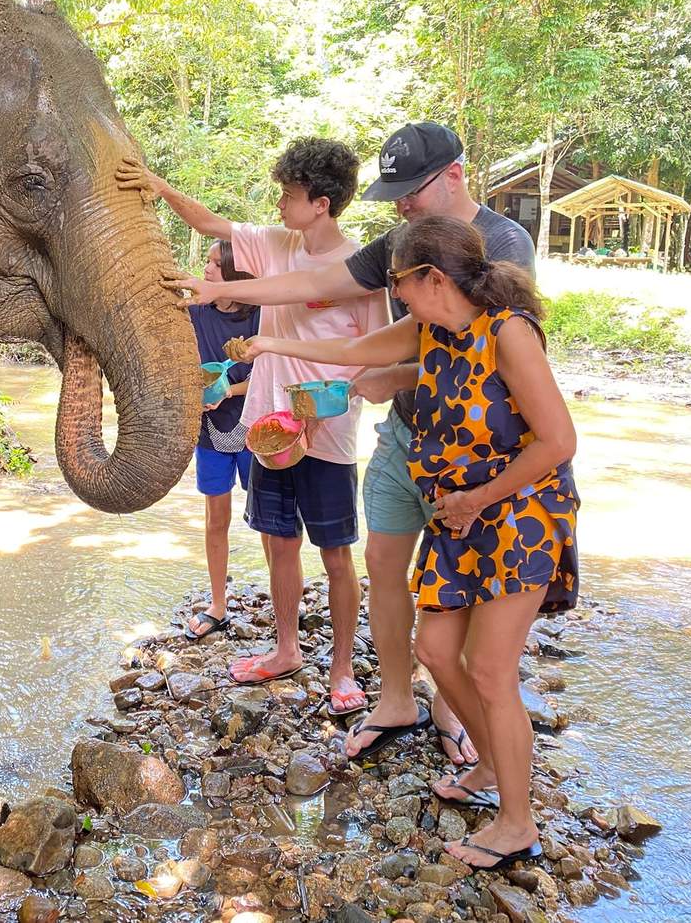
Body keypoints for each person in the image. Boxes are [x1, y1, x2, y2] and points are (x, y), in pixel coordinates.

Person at [164, 123, 536, 766]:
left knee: (468, 610)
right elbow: (340, 314)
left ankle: (465, 727)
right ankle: (397, 699)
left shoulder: (504, 254)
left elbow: (486, 369)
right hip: (404, 441)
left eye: (410, 192)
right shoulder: (399, 245)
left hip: (480, 460)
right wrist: (237, 306)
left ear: (453, 174)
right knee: (389, 574)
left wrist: (376, 385)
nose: (400, 206)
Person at [233, 214, 579, 871]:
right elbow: (357, 353)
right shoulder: (432, 329)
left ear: (433, 278)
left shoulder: (507, 333)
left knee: (488, 668)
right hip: (458, 516)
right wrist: (270, 345)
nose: (396, 295)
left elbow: (558, 441)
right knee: (436, 650)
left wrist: (477, 498)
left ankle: (516, 821)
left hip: (517, 515)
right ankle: (491, 774)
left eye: (401, 284)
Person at [117, 138, 387, 714]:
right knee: (278, 543)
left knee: (337, 554)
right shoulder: (276, 244)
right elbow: (211, 221)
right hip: (268, 427)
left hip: (328, 433)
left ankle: (342, 671)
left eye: (289, 195)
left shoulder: (360, 265)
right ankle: (285, 648)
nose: (281, 204)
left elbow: (374, 353)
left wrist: (329, 405)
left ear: (321, 202)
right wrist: (158, 186)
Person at [184, 240, 261, 639]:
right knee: (217, 518)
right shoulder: (195, 312)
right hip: (209, 429)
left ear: (236, 274)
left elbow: (269, 374)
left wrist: (227, 392)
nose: (207, 269)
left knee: (269, 518)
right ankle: (218, 605)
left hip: (254, 427)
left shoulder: (261, 316)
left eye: (216, 264)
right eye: (209, 262)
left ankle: (286, 598)